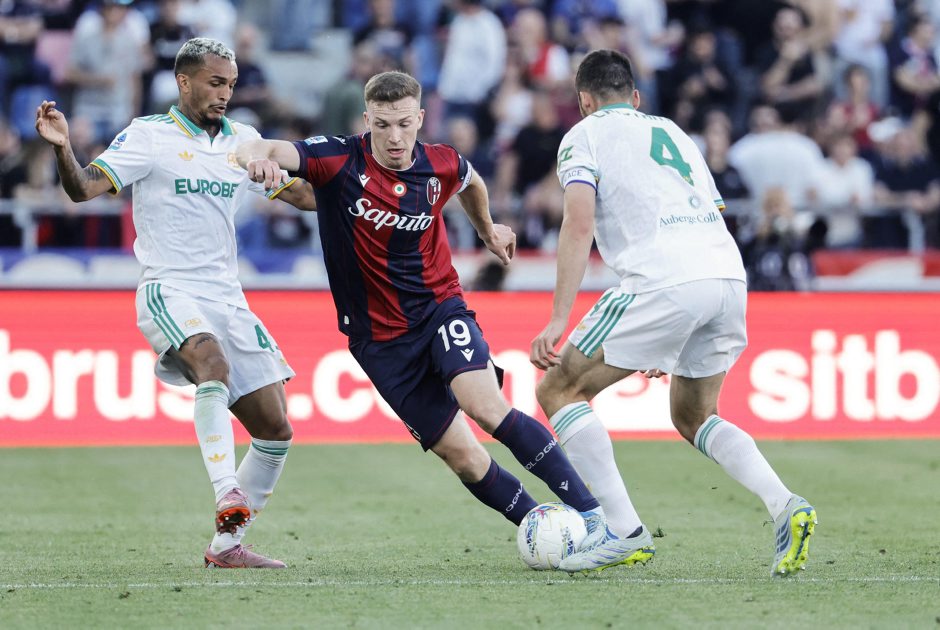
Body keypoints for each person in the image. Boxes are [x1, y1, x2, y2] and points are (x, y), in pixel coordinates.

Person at [235, 70, 607, 535]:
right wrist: (256, 160)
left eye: (404, 124)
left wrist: (488, 230)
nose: (394, 137)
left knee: (486, 407)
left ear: (421, 118)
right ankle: (542, 528)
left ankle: (594, 517)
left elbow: (471, 182)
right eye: (383, 125)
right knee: (464, 457)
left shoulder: (441, 162)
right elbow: (261, 148)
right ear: (366, 120)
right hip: (379, 340)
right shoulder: (337, 158)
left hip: (439, 309)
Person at [529, 49, 817, 575]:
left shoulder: (583, 135)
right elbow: (711, 212)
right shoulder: (675, 133)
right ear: (636, 98)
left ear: (585, 100)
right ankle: (786, 505)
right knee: (694, 415)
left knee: (558, 389)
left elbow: (578, 224)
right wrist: (671, 331)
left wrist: (557, 319)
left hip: (660, 279)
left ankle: (623, 531)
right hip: (726, 277)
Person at [35, 37, 317, 569]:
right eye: (215, 83)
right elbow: (83, 188)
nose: (225, 94)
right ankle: (227, 491)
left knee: (276, 429)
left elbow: (305, 197)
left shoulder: (245, 142)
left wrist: (343, 182)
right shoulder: (148, 136)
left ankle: (227, 547)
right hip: (169, 287)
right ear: (183, 82)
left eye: (231, 84)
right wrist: (62, 147)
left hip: (228, 295)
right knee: (212, 366)